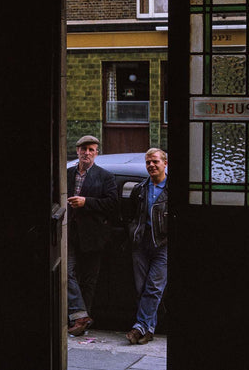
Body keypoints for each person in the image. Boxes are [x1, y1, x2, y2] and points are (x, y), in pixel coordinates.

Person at [66, 135, 118, 336]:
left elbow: (112, 204)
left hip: (93, 236)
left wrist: (86, 202)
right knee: (67, 272)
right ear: (77, 151)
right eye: (83, 149)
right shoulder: (68, 173)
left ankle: (82, 320)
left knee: (89, 279)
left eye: (91, 149)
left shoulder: (105, 176)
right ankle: (80, 315)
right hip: (69, 233)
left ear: (96, 153)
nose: (87, 153)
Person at [125, 148, 168, 345]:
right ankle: (149, 329)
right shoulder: (140, 189)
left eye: (155, 161)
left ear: (164, 163)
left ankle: (140, 326)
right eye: (148, 162)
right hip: (141, 243)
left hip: (163, 245)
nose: (151, 165)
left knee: (154, 288)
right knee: (141, 287)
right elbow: (130, 215)